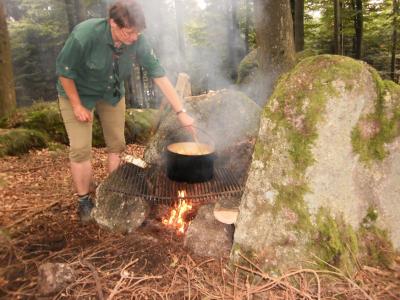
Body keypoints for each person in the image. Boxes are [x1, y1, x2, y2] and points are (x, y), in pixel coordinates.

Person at [56, 0, 194, 222]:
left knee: (117, 146)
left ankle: (112, 192)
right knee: (81, 149)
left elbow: (159, 75)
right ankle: (83, 200)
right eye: (129, 32)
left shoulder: (137, 41)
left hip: (111, 94)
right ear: (112, 23)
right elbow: (64, 72)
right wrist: (76, 105)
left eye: (137, 32)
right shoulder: (85, 35)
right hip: (78, 93)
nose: (134, 38)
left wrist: (181, 111)